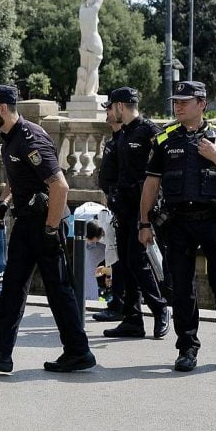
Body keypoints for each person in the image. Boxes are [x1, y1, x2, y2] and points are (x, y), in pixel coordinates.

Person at [0, 84, 95, 373]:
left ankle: (78, 351)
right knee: (12, 287)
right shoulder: (8, 138)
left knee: (58, 290)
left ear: (2, 108)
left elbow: (60, 185)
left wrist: (50, 229)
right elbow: (19, 175)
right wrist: (5, 202)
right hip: (26, 221)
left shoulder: (29, 137)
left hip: (45, 222)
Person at [139, 80, 216, 372]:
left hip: (215, 221)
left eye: (185, 101)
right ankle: (187, 347)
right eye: (176, 101)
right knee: (181, 290)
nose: (178, 106)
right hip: (178, 223)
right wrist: (144, 223)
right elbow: (151, 184)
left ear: (202, 104)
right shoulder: (165, 139)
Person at [101, 87, 170, 339]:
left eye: (112, 106)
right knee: (127, 263)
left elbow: (163, 170)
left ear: (120, 106)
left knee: (137, 261)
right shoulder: (122, 134)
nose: (110, 111)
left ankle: (160, 308)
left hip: (143, 210)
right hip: (124, 209)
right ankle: (133, 319)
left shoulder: (149, 131)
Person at [93, 101, 128, 322]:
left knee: (127, 260)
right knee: (114, 257)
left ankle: (153, 306)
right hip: (113, 207)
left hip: (128, 208)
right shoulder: (113, 140)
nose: (106, 113)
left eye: (109, 109)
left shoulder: (129, 138)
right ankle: (118, 303)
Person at [74, 0, 104, 96]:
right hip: (94, 41)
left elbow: (82, 2)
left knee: (84, 69)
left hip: (84, 42)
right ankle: (90, 92)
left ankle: (82, 92)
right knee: (93, 69)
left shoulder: (82, 11)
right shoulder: (93, 10)